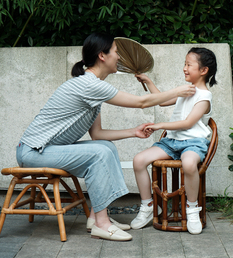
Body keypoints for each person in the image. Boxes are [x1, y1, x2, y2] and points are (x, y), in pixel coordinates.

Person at [16, 33, 196, 241]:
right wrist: (178, 91)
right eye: (116, 53)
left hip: (47, 150)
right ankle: (102, 224)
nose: (119, 58)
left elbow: (98, 134)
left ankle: (96, 217)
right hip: (33, 151)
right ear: (102, 55)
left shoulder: (94, 88)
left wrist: (132, 132)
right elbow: (141, 102)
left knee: (105, 146)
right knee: (99, 152)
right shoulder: (89, 85)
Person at [131, 47, 217, 235]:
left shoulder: (204, 97)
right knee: (138, 160)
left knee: (188, 163)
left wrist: (159, 125)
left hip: (193, 143)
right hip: (172, 142)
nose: (184, 68)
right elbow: (162, 101)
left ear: (203, 70)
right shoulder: (185, 90)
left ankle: (192, 208)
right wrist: (148, 81)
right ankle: (148, 206)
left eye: (189, 65)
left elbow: (188, 123)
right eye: (184, 64)